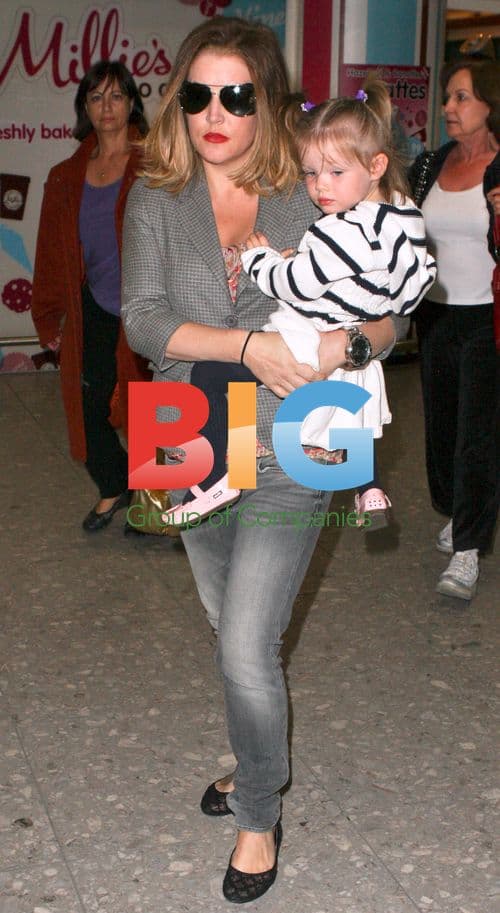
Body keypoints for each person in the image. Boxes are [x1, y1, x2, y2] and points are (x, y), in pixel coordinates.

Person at [122, 17, 407, 903]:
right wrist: (248, 347)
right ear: (180, 101)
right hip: (188, 429)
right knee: (229, 623)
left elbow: (390, 311)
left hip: (299, 429)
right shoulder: (155, 194)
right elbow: (143, 319)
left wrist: (347, 349)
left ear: (267, 100)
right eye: (198, 94)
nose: (215, 112)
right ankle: (254, 749)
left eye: (236, 95)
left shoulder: (307, 189)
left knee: (247, 639)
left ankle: (258, 809)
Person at [163, 76, 435, 530]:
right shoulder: (402, 214)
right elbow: (413, 282)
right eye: (311, 173)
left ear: (376, 165)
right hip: (350, 348)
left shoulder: (339, 228)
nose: (319, 187)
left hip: (308, 338)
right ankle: (369, 490)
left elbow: (295, 283)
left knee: (216, 373)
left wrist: (258, 258)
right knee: (352, 418)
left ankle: (218, 475)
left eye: (333, 172)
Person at [31, 60, 150, 532]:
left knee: (149, 406)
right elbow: (50, 254)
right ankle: (114, 482)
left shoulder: (156, 165)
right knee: (87, 406)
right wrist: (50, 316)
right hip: (94, 306)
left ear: (131, 104)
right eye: (96, 97)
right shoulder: (65, 175)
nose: (107, 106)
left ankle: (152, 505)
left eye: (116, 96)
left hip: (149, 307)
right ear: (84, 106)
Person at [409, 57, 500, 601]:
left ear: (491, 105)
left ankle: (468, 548)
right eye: (447, 97)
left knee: (476, 438)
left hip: (487, 318)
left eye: (462, 97)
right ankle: (460, 509)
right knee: (442, 436)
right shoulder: (430, 165)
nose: (449, 108)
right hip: (436, 316)